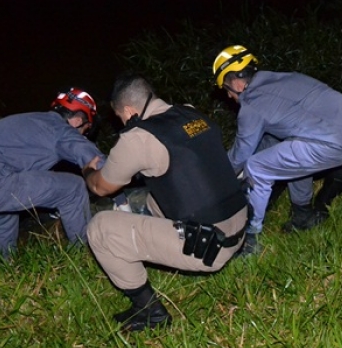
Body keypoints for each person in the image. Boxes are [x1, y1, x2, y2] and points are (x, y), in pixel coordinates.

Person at [83, 74, 248, 332]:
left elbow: (101, 186)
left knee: (100, 227)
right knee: (153, 198)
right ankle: (161, 247)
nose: (123, 123)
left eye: (121, 118)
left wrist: (87, 172)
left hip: (210, 248)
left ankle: (150, 312)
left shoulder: (138, 138)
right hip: (239, 225)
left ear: (128, 110)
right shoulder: (191, 114)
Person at [212, 45, 342, 255]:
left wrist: (219, 179)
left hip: (340, 142)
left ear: (235, 81)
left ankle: (249, 240)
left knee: (257, 167)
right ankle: (303, 214)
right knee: (290, 152)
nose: (227, 95)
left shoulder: (252, 105)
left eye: (225, 88)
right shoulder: (288, 78)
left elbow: (241, 154)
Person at [0, 88, 104, 259]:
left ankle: (1, 261)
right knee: (74, 188)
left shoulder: (34, 120)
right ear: (78, 120)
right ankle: (85, 254)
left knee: (9, 204)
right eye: (85, 130)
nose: (83, 135)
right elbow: (103, 165)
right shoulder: (61, 131)